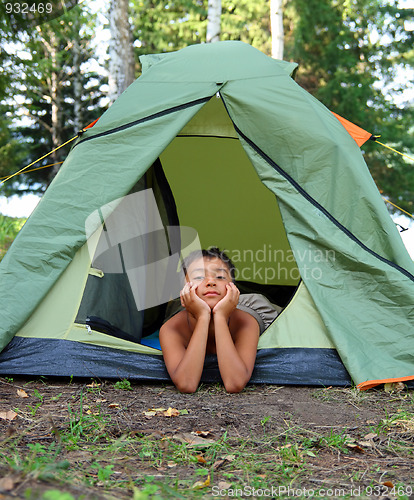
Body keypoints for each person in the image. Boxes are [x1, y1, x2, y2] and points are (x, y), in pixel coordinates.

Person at [159, 248, 261, 393]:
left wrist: (220, 316)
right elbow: (187, 384)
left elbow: (235, 383)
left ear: (233, 287)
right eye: (199, 277)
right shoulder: (172, 329)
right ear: (183, 289)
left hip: (251, 306)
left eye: (220, 277)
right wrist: (203, 316)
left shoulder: (246, 322)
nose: (211, 281)